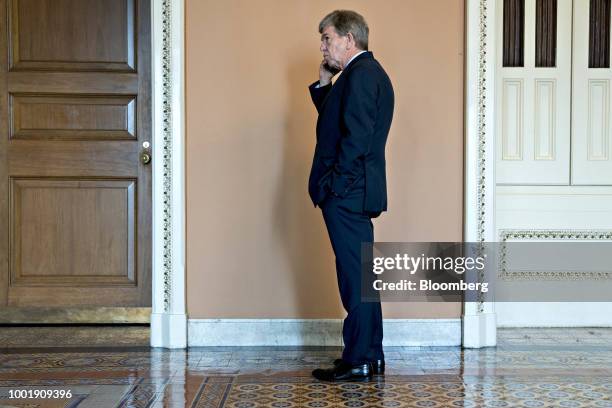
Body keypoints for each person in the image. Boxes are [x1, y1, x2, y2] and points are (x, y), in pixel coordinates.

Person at [308, 10, 395, 382]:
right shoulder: (362, 75)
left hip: (348, 193)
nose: (323, 45)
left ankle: (358, 358)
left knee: (354, 279)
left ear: (349, 38)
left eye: (327, 38)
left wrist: (335, 188)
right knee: (362, 278)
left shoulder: (361, 76)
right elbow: (336, 124)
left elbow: (355, 140)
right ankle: (369, 355)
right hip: (356, 190)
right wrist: (325, 83)